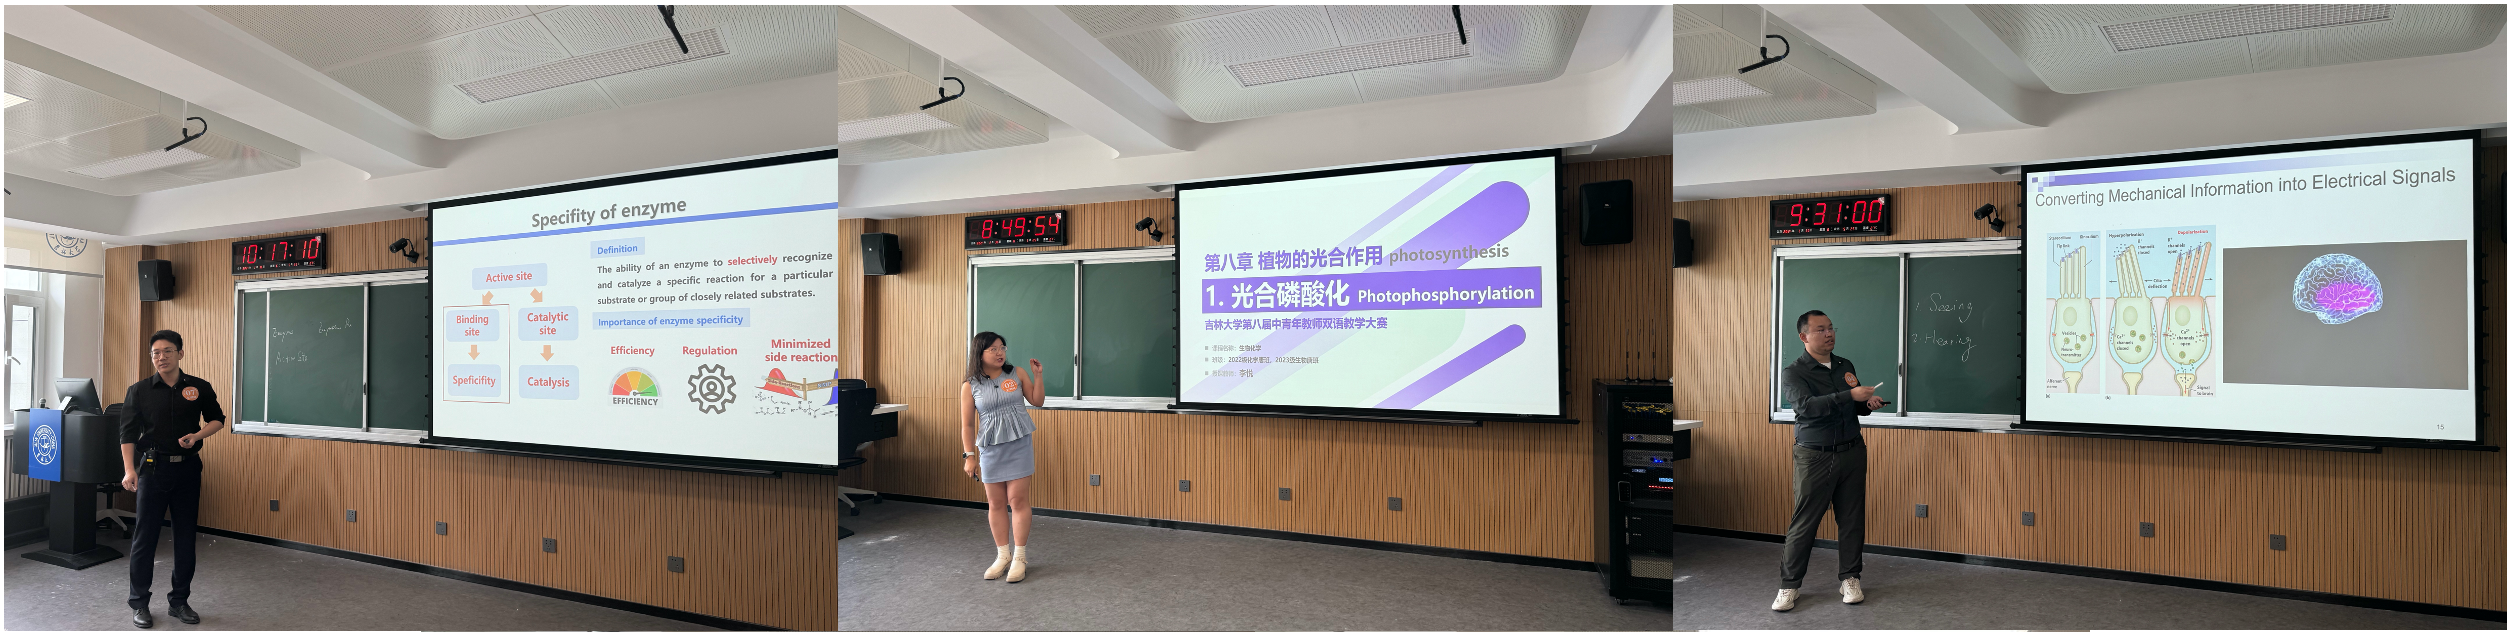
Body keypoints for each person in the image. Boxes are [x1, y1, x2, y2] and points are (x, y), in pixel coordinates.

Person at [1772, 311, 1882, 612]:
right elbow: (1806, 408)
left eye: (1831, 328)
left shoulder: (1845, 366)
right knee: (1804, 522)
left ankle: (1850, 578)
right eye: (1820, 329)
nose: (1829, 333)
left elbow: (1855, 406)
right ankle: (1789, 585)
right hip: (1814, 455)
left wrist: (1866, 404)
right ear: (1804, 337)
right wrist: (1850, 396)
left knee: (1851, 519)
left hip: (1852, 451)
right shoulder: (1794, 372)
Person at [119, 330, 225, 628]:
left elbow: (218, 419)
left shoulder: (198, 387)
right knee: (145, 537)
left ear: (180, 353)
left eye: (167, 351)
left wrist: (197, 436)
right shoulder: (139, 390)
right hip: (153, 471)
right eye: (156, 353)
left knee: (185, 537)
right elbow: (127, 433)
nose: (161, 357)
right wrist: (129, 470)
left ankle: (179, 601)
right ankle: (139, 603)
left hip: (188, 470)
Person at [959, 331, 1043, 583]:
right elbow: (967, 425)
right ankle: (1003, 555)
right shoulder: (970, 385)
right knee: (995, 503)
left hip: (1019, 445)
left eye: (1002, 348)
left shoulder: (1017, 373)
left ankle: (1020, 557)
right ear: (979, 353)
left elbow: (1037, 401)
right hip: (990, 448)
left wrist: (1038, 376)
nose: (999, 353)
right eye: (993, 349)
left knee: (1018, 500)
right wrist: (969, 456)